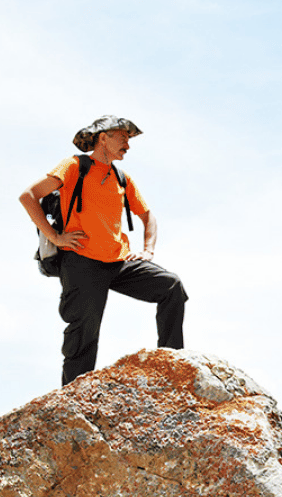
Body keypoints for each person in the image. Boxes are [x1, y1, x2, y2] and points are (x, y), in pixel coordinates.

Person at [19, 116, 187, 385]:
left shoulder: (122, 178)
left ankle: (172, 362)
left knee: (171, 287)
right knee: (84, 334)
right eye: (123, 138)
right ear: (103, 138)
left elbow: (148, 216)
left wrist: (148, 251)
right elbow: (28, 195)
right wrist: (55, 237)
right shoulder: (74, 166)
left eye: (129, 140)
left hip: (119, 262)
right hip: (81, 262)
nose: (128, 146)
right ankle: (73, 397)